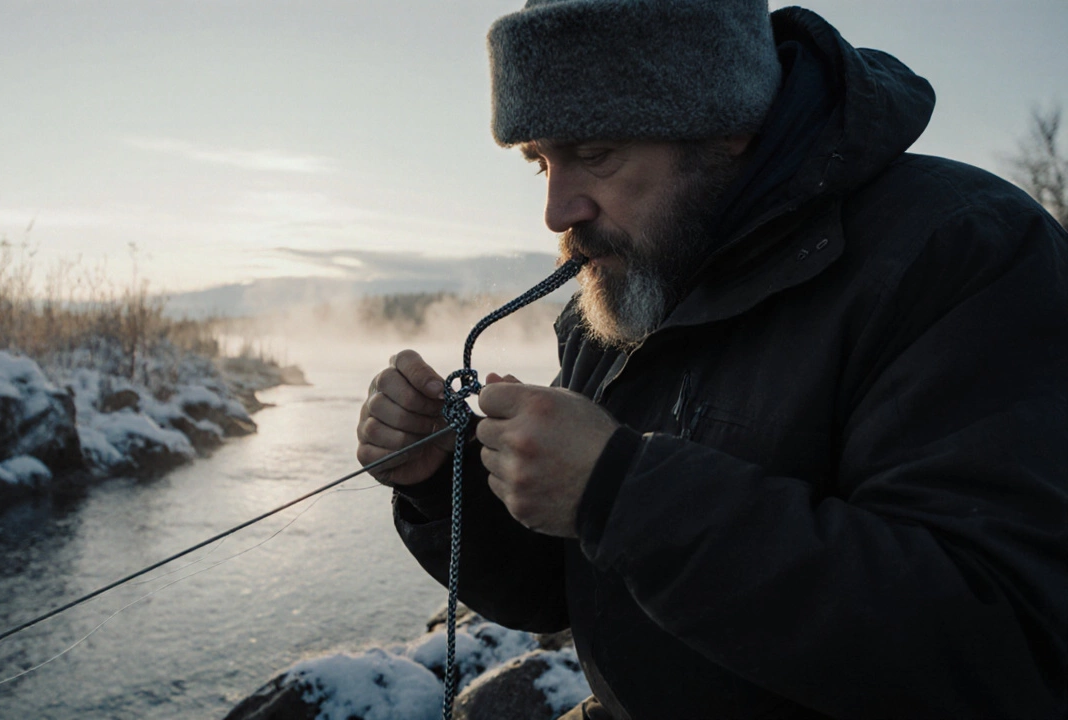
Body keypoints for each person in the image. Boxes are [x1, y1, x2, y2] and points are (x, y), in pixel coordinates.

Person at [355, 1, 1068, 717]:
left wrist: (620, 492)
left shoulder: (966, 252)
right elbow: (560, 587)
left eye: (594, 154)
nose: (556, 210)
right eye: (541, 160)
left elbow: (1008, 649)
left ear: (724, 126)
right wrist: (444, 480)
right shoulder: (628, 284)